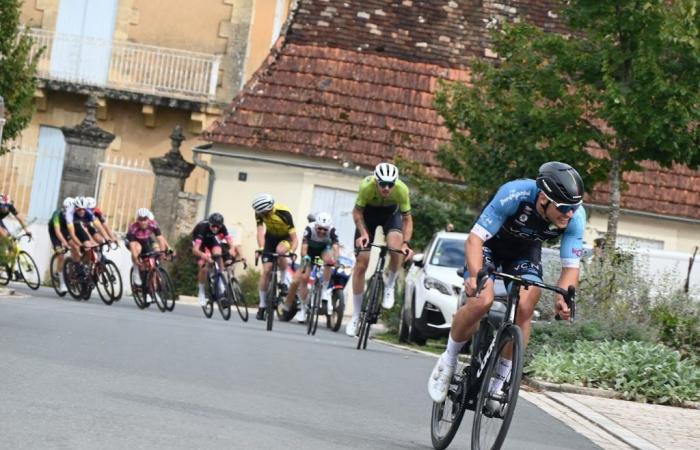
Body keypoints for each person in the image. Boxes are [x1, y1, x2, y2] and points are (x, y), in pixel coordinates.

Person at [428, 161, 586, 403]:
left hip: (524, 252)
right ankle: (448, 362)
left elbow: (570, 268)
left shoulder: (574, 217)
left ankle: (498, 382)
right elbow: (474, 240)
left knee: (526, 304)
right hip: (490, 245)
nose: (569, 214)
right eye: (564, 207)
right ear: (543, 198)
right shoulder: (514, 194)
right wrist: (475, 276)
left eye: (574, 207)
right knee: (482, 300)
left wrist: (562, 297)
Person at [346, 162, 414, 337]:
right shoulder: (366, 187)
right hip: (367, 215)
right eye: (382, 184)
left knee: (395, 248)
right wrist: (363, 233)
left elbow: (407, 220)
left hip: (391, 215)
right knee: (362, 263)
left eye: (390, 184)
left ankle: (390, 284)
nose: (386, 188)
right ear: (376, 181)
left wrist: (405, 243)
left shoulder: (402, 190)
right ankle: (356, 316)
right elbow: (357, 213)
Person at [281, 212, 340, 323]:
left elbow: (336, 247)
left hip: (323, 251)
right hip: (309, 254)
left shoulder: (332, 230)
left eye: (325, 229)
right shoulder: (309, 228)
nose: (322, 231)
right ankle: (303, 308)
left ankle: (325, 290)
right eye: (319, 229)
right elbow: (304, 248)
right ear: (315, 225)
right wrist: (306, 257)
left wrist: (337, 259)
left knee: (329, 260)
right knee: (301, 279)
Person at [252, 193, 298, 321]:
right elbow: (260, 231)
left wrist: (293, 251)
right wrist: (261, 247)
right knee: (266, 271)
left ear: (270, 208)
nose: (263, 215)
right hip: (270, 239)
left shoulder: (284, 213)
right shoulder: (259, 212)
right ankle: (262, 305)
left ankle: (283, 282)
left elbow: (295, 238)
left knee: (280, 250)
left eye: (265, 213)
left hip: (285, 238)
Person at [191, 212, 239, 306]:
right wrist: (204, 255)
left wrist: (232, 248)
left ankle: (220, 280)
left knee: (218, 255)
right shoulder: (202, 228)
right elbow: (195, 250)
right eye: (213, 226)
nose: (216, 228)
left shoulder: (222, 227)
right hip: (199, 242)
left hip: (211, 240)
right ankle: (201, 292)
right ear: (209, 223)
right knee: (204, 268)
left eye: (218, 227)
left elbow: (229, 240)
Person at [125, 208, 171, 301]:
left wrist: (163, 252)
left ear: (149, 219)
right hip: (133, 242)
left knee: (154, 256)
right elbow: (133, 247)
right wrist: (136, 259)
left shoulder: (153, 224)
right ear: (137, 219)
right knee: (138, 251)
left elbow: (160, 239)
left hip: (145, 241)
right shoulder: (133, 227)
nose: (143, 222)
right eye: (140, 219)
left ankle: (153, 286)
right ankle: (136, 271)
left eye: (145, 219)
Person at [47, 197, 77, 294]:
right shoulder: (57, 214)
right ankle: (62, 283)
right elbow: (57, 232)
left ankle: (73, 267)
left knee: (75, 246)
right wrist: (64, 242)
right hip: (55, 232)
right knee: (61, 255)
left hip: (65, 229)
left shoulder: (73, 213)